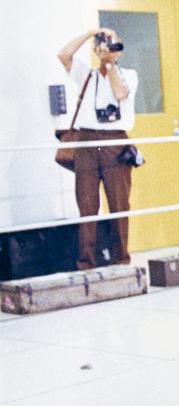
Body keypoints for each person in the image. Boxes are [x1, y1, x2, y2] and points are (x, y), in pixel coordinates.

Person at [57, 28, 140, 270]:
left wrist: (110, 63)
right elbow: (63, 55)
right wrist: (91, 33)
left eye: (113, 43)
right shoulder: (86, 75)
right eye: (103, 44)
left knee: (119, 203)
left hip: (115, 142)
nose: (108, 47)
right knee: (87, 204)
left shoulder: (129, 75)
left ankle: (121, 259)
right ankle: (86, 262)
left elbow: (120, 93)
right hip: (87, 141)